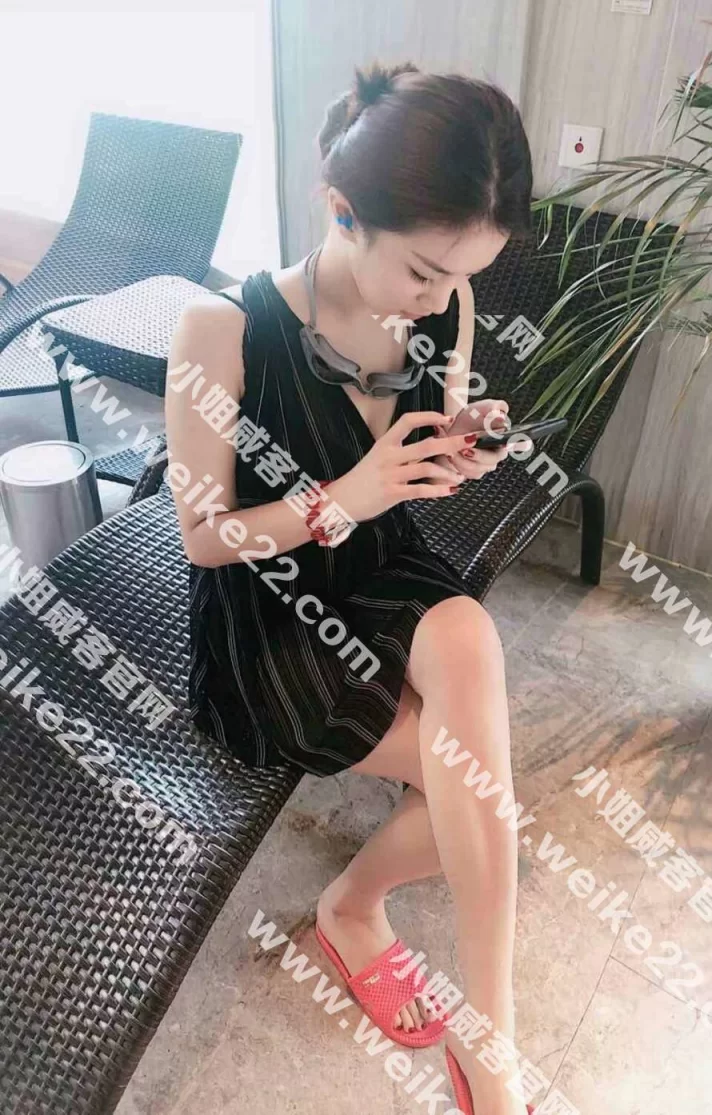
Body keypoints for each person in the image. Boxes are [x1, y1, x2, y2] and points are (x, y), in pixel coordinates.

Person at [165, 60, 535, 1115]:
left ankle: (489, 1036)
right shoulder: (221, 332)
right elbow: (202, 538)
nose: (441, 297)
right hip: (267, 611)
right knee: (478, 792)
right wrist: (346, 493)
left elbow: (431, 429)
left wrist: (464, 438)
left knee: (467, 646)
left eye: (460, 275)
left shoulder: (448, 304)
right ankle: (353, 908)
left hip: (378, 565)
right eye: (422, 271)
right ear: (341, 210)